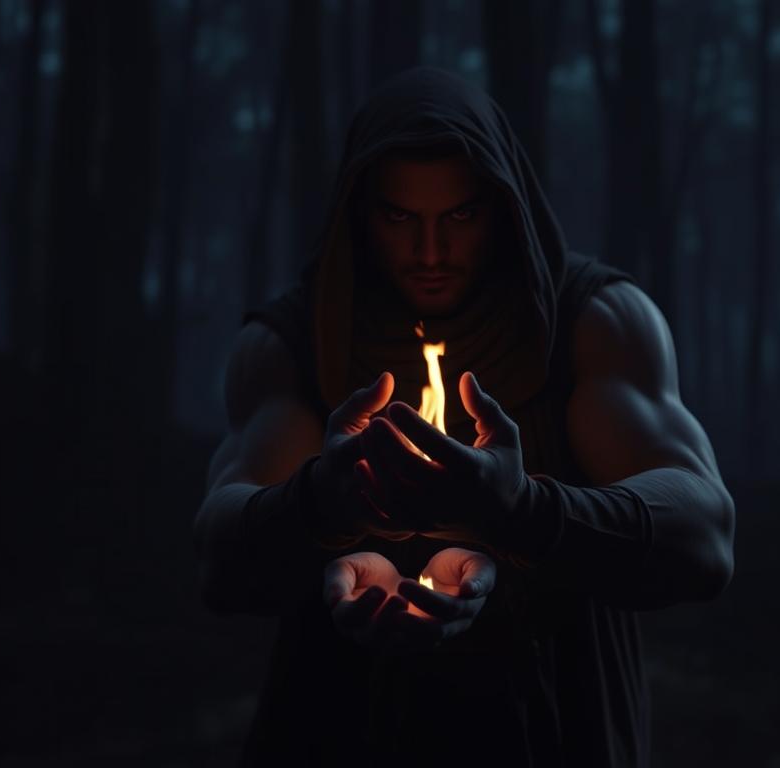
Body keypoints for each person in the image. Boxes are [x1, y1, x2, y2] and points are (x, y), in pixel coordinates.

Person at [194, 67, 735, 767]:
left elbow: (706, 538)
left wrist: (523, 510)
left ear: (503, 206)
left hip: (555, 730)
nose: (430, 253)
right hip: (342, 729)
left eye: (460, 215)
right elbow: (215, 561)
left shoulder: (595, 322)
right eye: (399, 217)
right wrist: (321, 506)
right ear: (359, 212)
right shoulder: (296, 343)